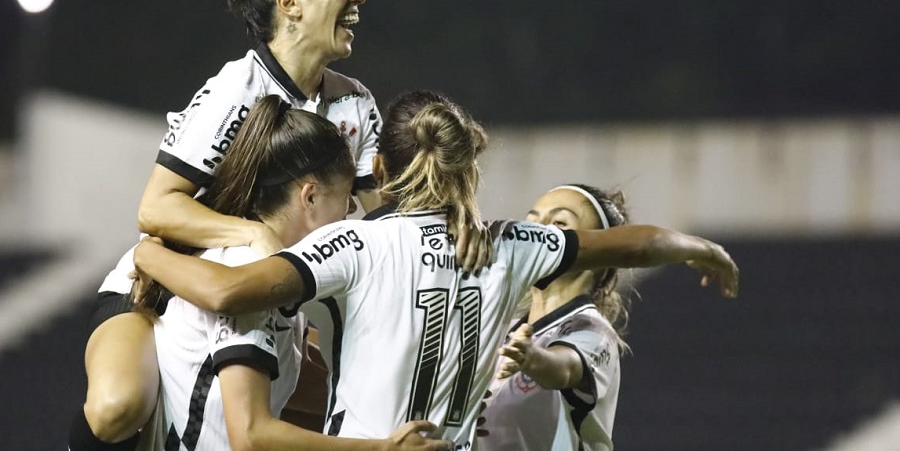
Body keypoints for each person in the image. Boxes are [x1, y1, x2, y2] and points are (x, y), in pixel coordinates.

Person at [132, 90, 739, 449]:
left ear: (381, 167)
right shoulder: (509, 246)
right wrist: (700, 249)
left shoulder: (355, 243)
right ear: (467, 171)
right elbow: (632, 245)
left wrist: (148, 251)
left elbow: (229, 290)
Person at [68, 0, 399, 451]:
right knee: (116, 408)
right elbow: (157, 208)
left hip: (258, 304)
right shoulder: (236, 89)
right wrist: (258, 238)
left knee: (350, 403)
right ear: (290, 3)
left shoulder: (355, 104)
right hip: (163, 293)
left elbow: (385, 225)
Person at [84, 95, 452, 451]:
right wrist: (381, 449)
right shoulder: (246, 268)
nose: (351, 207)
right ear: (309, 196)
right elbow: (251, 436)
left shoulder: (272, 271)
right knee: (116, 407)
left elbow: (315, 390)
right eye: (344, 195)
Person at [479, 184, 633, 451]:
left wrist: (534, 359)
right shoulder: (503, 331)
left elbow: (565, 368)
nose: (537, 235)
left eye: (559, 223)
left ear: (597, 254)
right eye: (532, 222)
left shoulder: (593, 332)